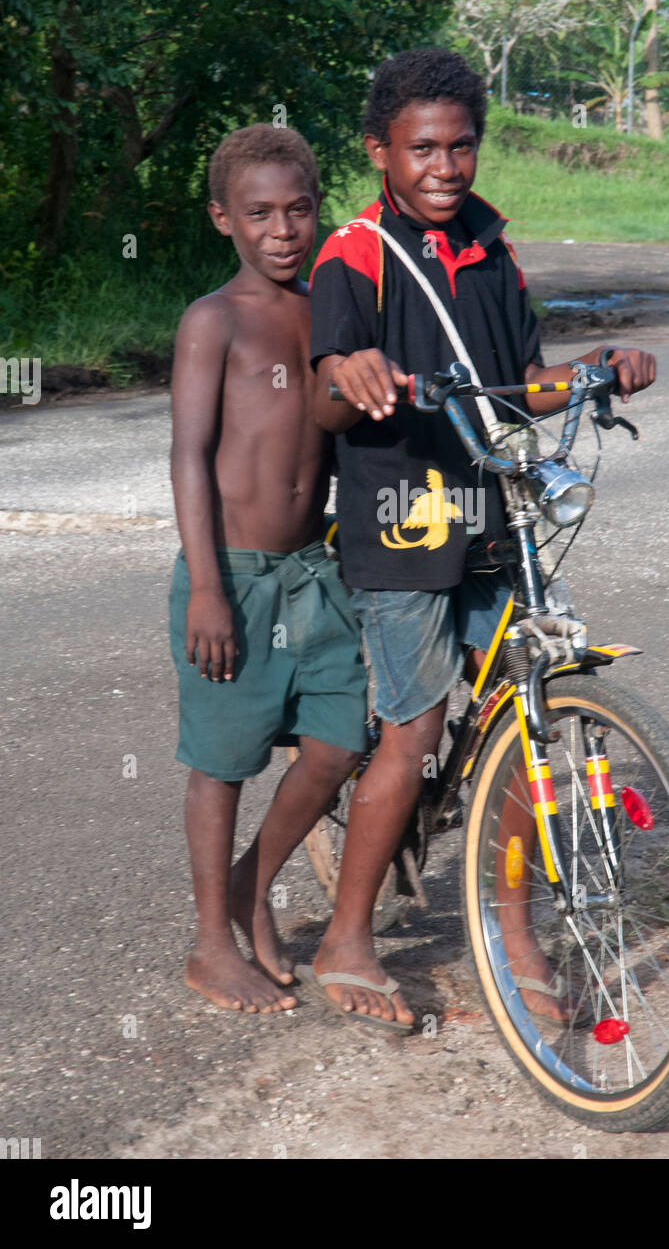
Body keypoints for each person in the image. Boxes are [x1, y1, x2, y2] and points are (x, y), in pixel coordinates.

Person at [308, 47, 656, 1029]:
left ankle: (513, 929)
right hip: (398, 528)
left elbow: (521, 389)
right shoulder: (354, 255)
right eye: (422, 148)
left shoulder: (491, 252)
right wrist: (355, 375)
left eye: (461, 146)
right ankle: (346, 935)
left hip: (493, 518)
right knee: (415, 727)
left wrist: (595, 370)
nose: (444, 167)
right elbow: (328, 394)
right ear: (381, 149)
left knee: (524, 706)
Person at [169, 124, 367, 1014]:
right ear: (223, 219)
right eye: (258, 214)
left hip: (312, 573)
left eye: (297, 210)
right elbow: (187, 455)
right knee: (222, 762)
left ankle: (253, 884)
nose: (282, 230)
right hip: (236, 578)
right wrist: (208, 588)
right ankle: (212, 945)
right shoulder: (215, 319)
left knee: (339, 743)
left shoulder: (328, 308)